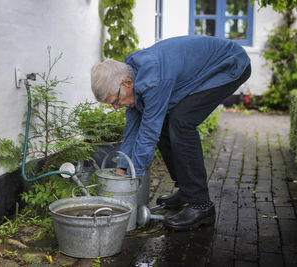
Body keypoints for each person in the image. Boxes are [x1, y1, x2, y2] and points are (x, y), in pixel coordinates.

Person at [91, 35, 251, 231]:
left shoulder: (152, 80)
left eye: (115, 101)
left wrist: (133, 178)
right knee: (167, 120)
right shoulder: (131, 76)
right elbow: (132, 129)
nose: (117, 107)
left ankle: (201, 204)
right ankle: (186, 188)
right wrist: (122, 167)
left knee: (181, 122)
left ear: (127, 83)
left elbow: (149, 132)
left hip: (230, 64)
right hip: (207, 68)